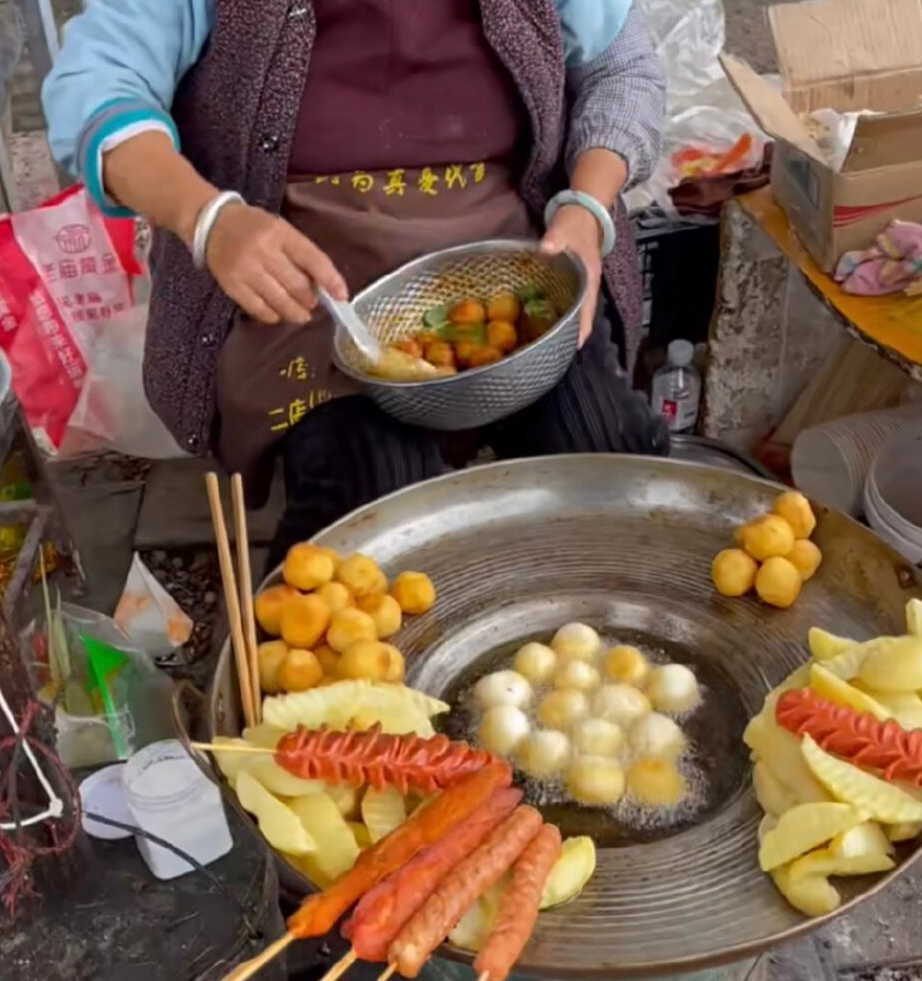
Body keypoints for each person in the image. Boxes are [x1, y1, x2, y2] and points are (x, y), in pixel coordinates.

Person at [44, 0, 669, 563]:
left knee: (603, 456)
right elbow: (97, 86)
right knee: (375, 509)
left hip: (511, 262)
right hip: (305, 281)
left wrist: (588, 203)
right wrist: (208, 218)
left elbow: (622, 71)